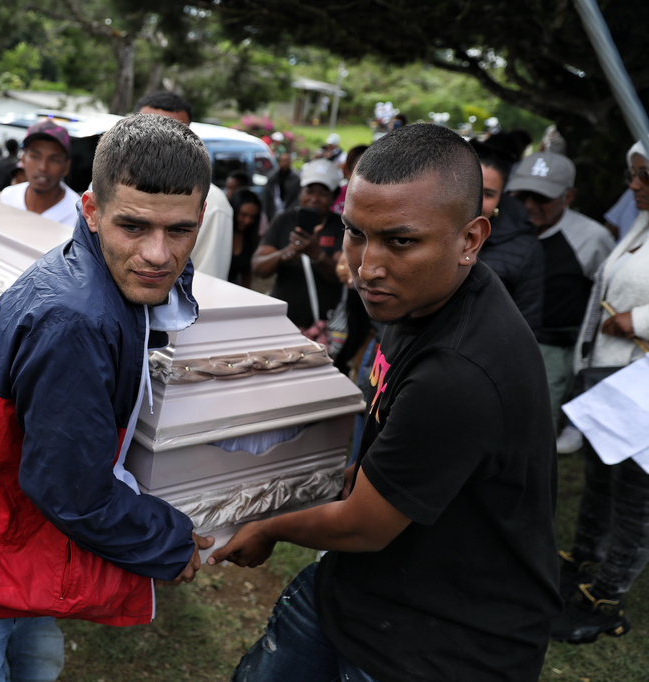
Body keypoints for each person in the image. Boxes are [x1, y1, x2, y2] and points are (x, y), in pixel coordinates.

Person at [210, 123, 560, 682]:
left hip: (441, 646)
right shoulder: (414, 297)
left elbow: (362, 527)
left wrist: (270, 525)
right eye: (355, 233)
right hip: (357, 592)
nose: (367, 267)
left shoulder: (459, 373)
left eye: (400, 240)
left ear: (471, 239)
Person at [0, 113, 214, 682]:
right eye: (134, 226)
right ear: (89, 212)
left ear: (201, 220)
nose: (159, 255)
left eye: (179, 231)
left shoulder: (106, 282)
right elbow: (72, 490)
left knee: (36, 665)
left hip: (7, 541)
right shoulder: (75, 319)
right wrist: (169, 542)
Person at [552, 140, 649, 644]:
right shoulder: (641, 223)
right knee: (599, 481)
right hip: (608, 376)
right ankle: (584, 562)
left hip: (642, 390)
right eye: (633, 173)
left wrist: (642, 320)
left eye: (644, 176)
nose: (633, 185)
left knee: (635, 497)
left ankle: (608, 597)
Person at [504, 152, 613, 442]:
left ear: (568, 197)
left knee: (533, 426)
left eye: (542, 198)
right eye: (521, 195)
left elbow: (604, 296)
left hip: (551, 348)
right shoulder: (500, 226)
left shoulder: (592, 238)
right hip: (497, 339)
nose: (528, 205)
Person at [136, 90, 233, 280]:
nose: (156, 144)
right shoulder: (105, 186)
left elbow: (207, 285)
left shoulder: (212, 203)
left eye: (178, 230)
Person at [251, 158, 345, 331]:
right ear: (300, 192)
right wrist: (287, 252)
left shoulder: (341, 227)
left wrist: (316, 254)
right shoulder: (283, 221)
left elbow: (341, 275)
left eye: (323, 193)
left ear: (333, 196)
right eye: (309, 191)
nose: (314, 199)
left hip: (322, 326)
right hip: (282, 321)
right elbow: (258, 267)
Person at [471, 139, 544, 332]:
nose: (476, 200)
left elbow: (527, 325)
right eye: (470, 188)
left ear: (500, 199)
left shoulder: (526, 249)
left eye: (488, 194)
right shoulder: (428, 229)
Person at [0, 119, 81, 227]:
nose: (43, 167)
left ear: (66, 167)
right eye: (35, 156)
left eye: (54, 159)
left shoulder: (79, 214)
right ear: (23, 160)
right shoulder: (7, 198)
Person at [229, 188, 261, 288]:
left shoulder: (250, 238)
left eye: (252, 217)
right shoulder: (221, 232)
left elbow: (247, 275)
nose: (247, 221)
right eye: (243, 215)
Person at [263, 150, 300, 222]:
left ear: (290, 162)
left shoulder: (296, 178)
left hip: (289, 212)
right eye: (283, 160)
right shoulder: (273, 177)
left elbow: (297, 197)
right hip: (274, 212)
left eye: (287, 161)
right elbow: (267, 197)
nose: (284, 163)